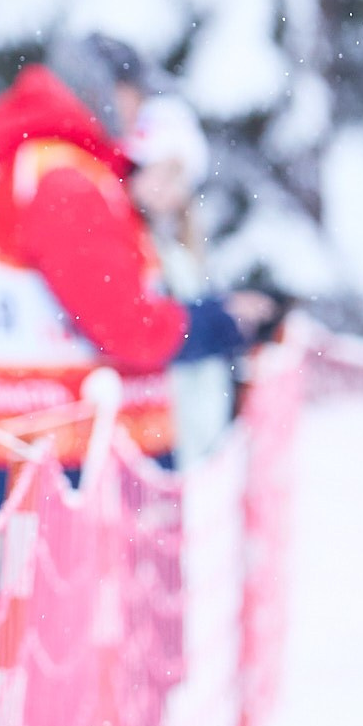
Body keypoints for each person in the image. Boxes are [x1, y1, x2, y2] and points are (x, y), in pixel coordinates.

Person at [0, 35, 274, 516]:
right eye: (135, 95)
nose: (140, 111)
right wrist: (220, 323)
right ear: (101, 90)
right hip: (70, 468)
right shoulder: (65, 181)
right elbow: (128, 327)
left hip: (56, 459)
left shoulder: (56, 170)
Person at [124, 94, 232, 468]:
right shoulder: (129, 242)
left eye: (180, 177)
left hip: (189, 432)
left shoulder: (183, 252)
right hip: (151, 431)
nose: (168, 188)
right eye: (163, 170)